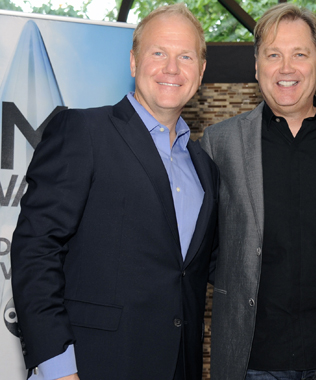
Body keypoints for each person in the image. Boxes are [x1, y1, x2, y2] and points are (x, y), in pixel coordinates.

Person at [10, 4, 218, 380]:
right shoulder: (83, 132)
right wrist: (57, 368)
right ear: (134, 62)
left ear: (200, 72)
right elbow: (36, 249)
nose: (172, 68)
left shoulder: (204, 167)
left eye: (185, 56)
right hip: (91, 367)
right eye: (158, 53)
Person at [200, 3, 316, 380]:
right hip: (254, 359)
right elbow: (202, 245)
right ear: (256, 66)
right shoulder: (220, 144)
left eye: (299, 54)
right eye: (273, 55)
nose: (286, 68)